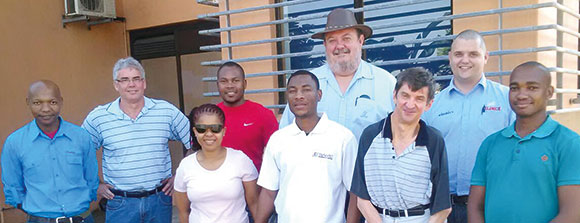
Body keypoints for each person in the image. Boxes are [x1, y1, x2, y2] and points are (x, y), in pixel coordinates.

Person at [82, 57, 191, 223]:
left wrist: (180, 175)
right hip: (120, 203)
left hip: (159, 200)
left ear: (144, 83)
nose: (131, 84)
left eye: (136, 79)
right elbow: (79, 152)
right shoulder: (99, 117)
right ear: (116, 85)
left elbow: (196, 142)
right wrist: (95, 184)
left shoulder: (166, 111)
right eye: (124, 80)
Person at [468, 61, 580, 223]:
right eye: (514, 88)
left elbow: (572, 213)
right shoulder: (490, 144)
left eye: (532, 88)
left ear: (549, 92)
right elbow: (475, 206)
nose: (521, 95)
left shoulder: (569, 144)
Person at [422, 29, 514, 223]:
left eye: (473, 54)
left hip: (489, 207)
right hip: (443, 208)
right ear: (450, 58)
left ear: (486, 57)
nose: (465, 60)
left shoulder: (507, 100)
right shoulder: (432, 105)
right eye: (458, 54)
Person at [255, 70, 358, 223]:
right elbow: (269, 192)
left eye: (306, 89)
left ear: (319, 95)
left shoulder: (342, 138)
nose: (298, 96)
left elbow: (355, 194)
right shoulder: (278, 140)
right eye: (292, 91)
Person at [279, 8, 397, 141]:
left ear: (360, 40)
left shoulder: (386, 83)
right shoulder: (307, 84)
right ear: (325, 45)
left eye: (346, 38)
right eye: (332, 40)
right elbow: (285, 136)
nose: (339, 46)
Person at [352, 67, 451, 223]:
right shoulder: (370, 136)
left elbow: (443, 206)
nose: (410, 104)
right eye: (405, 95)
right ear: (394, 96)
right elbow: (361, 198)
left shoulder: (434, 141)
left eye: (419, 98)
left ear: (429, 104)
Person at [1, 80, 98, 223]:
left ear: (61, 101)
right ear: (28, 102)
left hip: (81, 218)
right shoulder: (14, 142)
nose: (45, 109)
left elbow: (91, 179)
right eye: (37, 103)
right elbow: (13, 187)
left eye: (52, 102)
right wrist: (39, 212)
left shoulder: (81, 137)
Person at [174, 104, 258, 223]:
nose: (209, 134)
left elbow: (254, 204)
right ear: (195, 131)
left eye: (215, 128)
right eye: (202, 129)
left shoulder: (241, 160)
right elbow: (183, 212)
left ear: (224, 131)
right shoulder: (186, 166)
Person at [216, 61, 278, 171]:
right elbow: (196, 151)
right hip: (217, 184)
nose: (230, 86)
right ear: (217, 85)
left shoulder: (263, 115)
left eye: (235, 81)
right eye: (224, 81)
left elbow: (277, 155)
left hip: (254, 185)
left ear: (244, 84)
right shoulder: (210, 116)